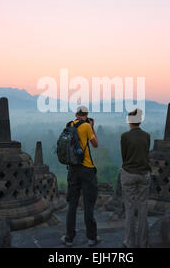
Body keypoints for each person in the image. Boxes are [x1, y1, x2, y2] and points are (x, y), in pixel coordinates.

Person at [61, 105, 100, 247]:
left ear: (76, 114)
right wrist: (92, 127)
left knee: (72, 204)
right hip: (87, 169)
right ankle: (91, 238)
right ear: (86, 114)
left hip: (72, 169)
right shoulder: (87, 127)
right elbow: (95, 144)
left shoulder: (69, 125)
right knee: (88, 205)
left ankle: (69, 238)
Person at [120, 108, 151, 248]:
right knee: (143, 209)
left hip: (129, 174)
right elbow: (146, 153)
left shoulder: (125, 136)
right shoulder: (146, 136)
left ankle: (129, 243)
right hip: (144, 174)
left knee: (130, 209)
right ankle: (143, 243)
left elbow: (124, 156)